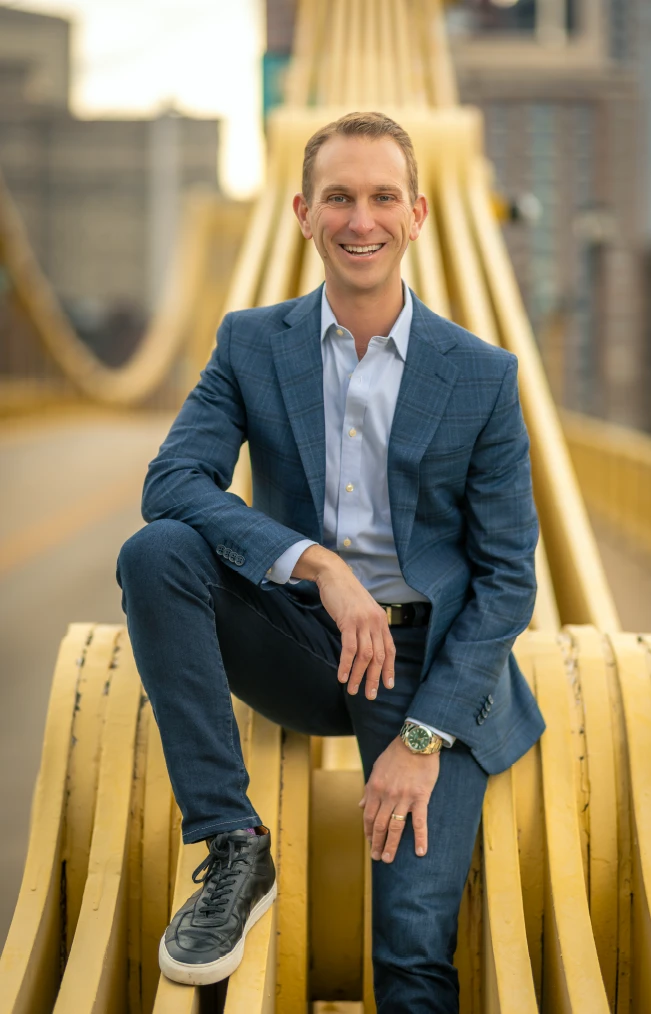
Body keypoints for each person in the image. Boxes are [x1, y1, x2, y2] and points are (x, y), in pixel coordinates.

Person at [116, 110, 545, 1013]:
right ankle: (234, 847)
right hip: (304, 642)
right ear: (303, 214)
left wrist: (423, 738)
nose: (362, 220)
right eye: (339, 198)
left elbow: (507, 577)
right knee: (157, 553)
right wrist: (315, 564)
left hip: (427, 671)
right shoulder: (249, 342)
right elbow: (173, 482)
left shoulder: (481, 374)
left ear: (419, 214)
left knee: (413, 956)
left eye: (383, 197)